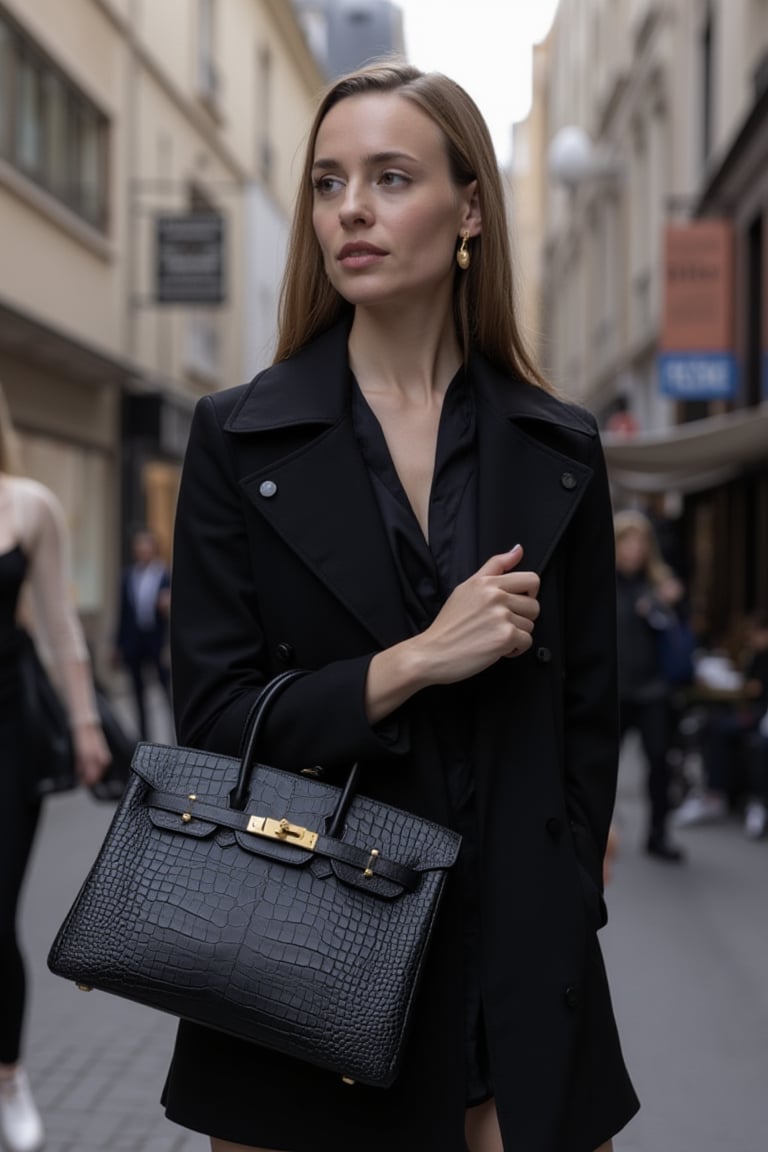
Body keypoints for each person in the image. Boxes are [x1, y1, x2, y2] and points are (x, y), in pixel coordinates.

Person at [163, 59, 639, 1152]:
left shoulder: (557, 445)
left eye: (389, 177)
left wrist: (567, 906)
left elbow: (587, 726)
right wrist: (414, 662)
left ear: (470, 206)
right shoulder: (240, 440)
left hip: (517, 977)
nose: (352, 212)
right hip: (310, 959)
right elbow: (215, 719)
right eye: (328, 184)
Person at [0, 385, 110, 1152]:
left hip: (6, 731)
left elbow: (62, 627)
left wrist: (86, 725)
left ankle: (7, 1076)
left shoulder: (28, 505)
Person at [614, 509, 687, 862]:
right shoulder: (598, 581)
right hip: (613, 690)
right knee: (599, 765)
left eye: (640, 542)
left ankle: (658, 833)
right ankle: (595, 834)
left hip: (653, 689)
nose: (634, 549)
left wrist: (667, 604)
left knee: (660, 763)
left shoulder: (659, 584)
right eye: (627, 541)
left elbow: (677, 636)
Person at [113, 528, 171, 740]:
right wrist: (118, 645)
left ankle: (174, 736)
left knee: (167, 691)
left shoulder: (166, 575)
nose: (142, 550)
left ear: (154, 549)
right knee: (137, 693)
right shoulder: (128, 576)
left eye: (146, 546)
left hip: (157, 641)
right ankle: (143, 738)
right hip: (134, 641)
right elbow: (123, 614)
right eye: (139, 547)